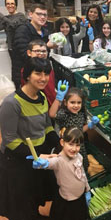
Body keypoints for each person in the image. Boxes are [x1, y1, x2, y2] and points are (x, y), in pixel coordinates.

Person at [0, 57, 60, 220]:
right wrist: (35, 156)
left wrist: (59, 142)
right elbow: (9, 140)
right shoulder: (12, 103)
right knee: (21, 206)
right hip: (18, 161)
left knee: (36, 200)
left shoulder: (41, 97)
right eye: (38, 73)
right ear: (27, 76)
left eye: (46, 74)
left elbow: (47, 126)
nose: (43, 78)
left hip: (38, 156)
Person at [29, 127, 91, 220]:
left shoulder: (79, 157)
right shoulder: (59, 160)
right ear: (62, 143)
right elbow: (50, 163)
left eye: (77, 145)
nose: (74, 148)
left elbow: (82, 175)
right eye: (70, 144)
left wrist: (87, 190)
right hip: (67, 204)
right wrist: (43, 164)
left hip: (80, 199)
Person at [49, 87, 99, 171]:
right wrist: (58, 98)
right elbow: (52, 114)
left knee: (81, 167)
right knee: (68, 169)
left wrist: (90, 125)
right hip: (68, 148)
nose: (76, 105)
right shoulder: (64, 114)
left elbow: (80, 130)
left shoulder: (81, 114)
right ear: (65, 102)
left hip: (79, 147)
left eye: (79, 102)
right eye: (72, 102)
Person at [12, 3, 56, 89]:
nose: (42, 17)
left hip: (40, 73)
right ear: (30, 14)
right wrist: (46, 47)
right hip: (26, 75)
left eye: (45, 15)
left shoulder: (45, 31)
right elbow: (25, 55)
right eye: (39, 14)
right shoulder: (22, 30)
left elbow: (46, 55)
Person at [0, 0, 27, 87]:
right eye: (8, 4)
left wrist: (1, 16)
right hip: (11, 48)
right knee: (15, 72)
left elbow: (12, 25)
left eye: (12, 3)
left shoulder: (21, 16)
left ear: (16, 5)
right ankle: (18, 91)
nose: (10, 5)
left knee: (22, 71)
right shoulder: (6, 18)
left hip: (21, 48)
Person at [20, 39, 56, 107]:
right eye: (37, 51)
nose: (41, 54)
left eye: (44, 51)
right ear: (29, 53)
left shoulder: (48, 68)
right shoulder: (27, 70)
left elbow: (51, 90)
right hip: (38, 105)